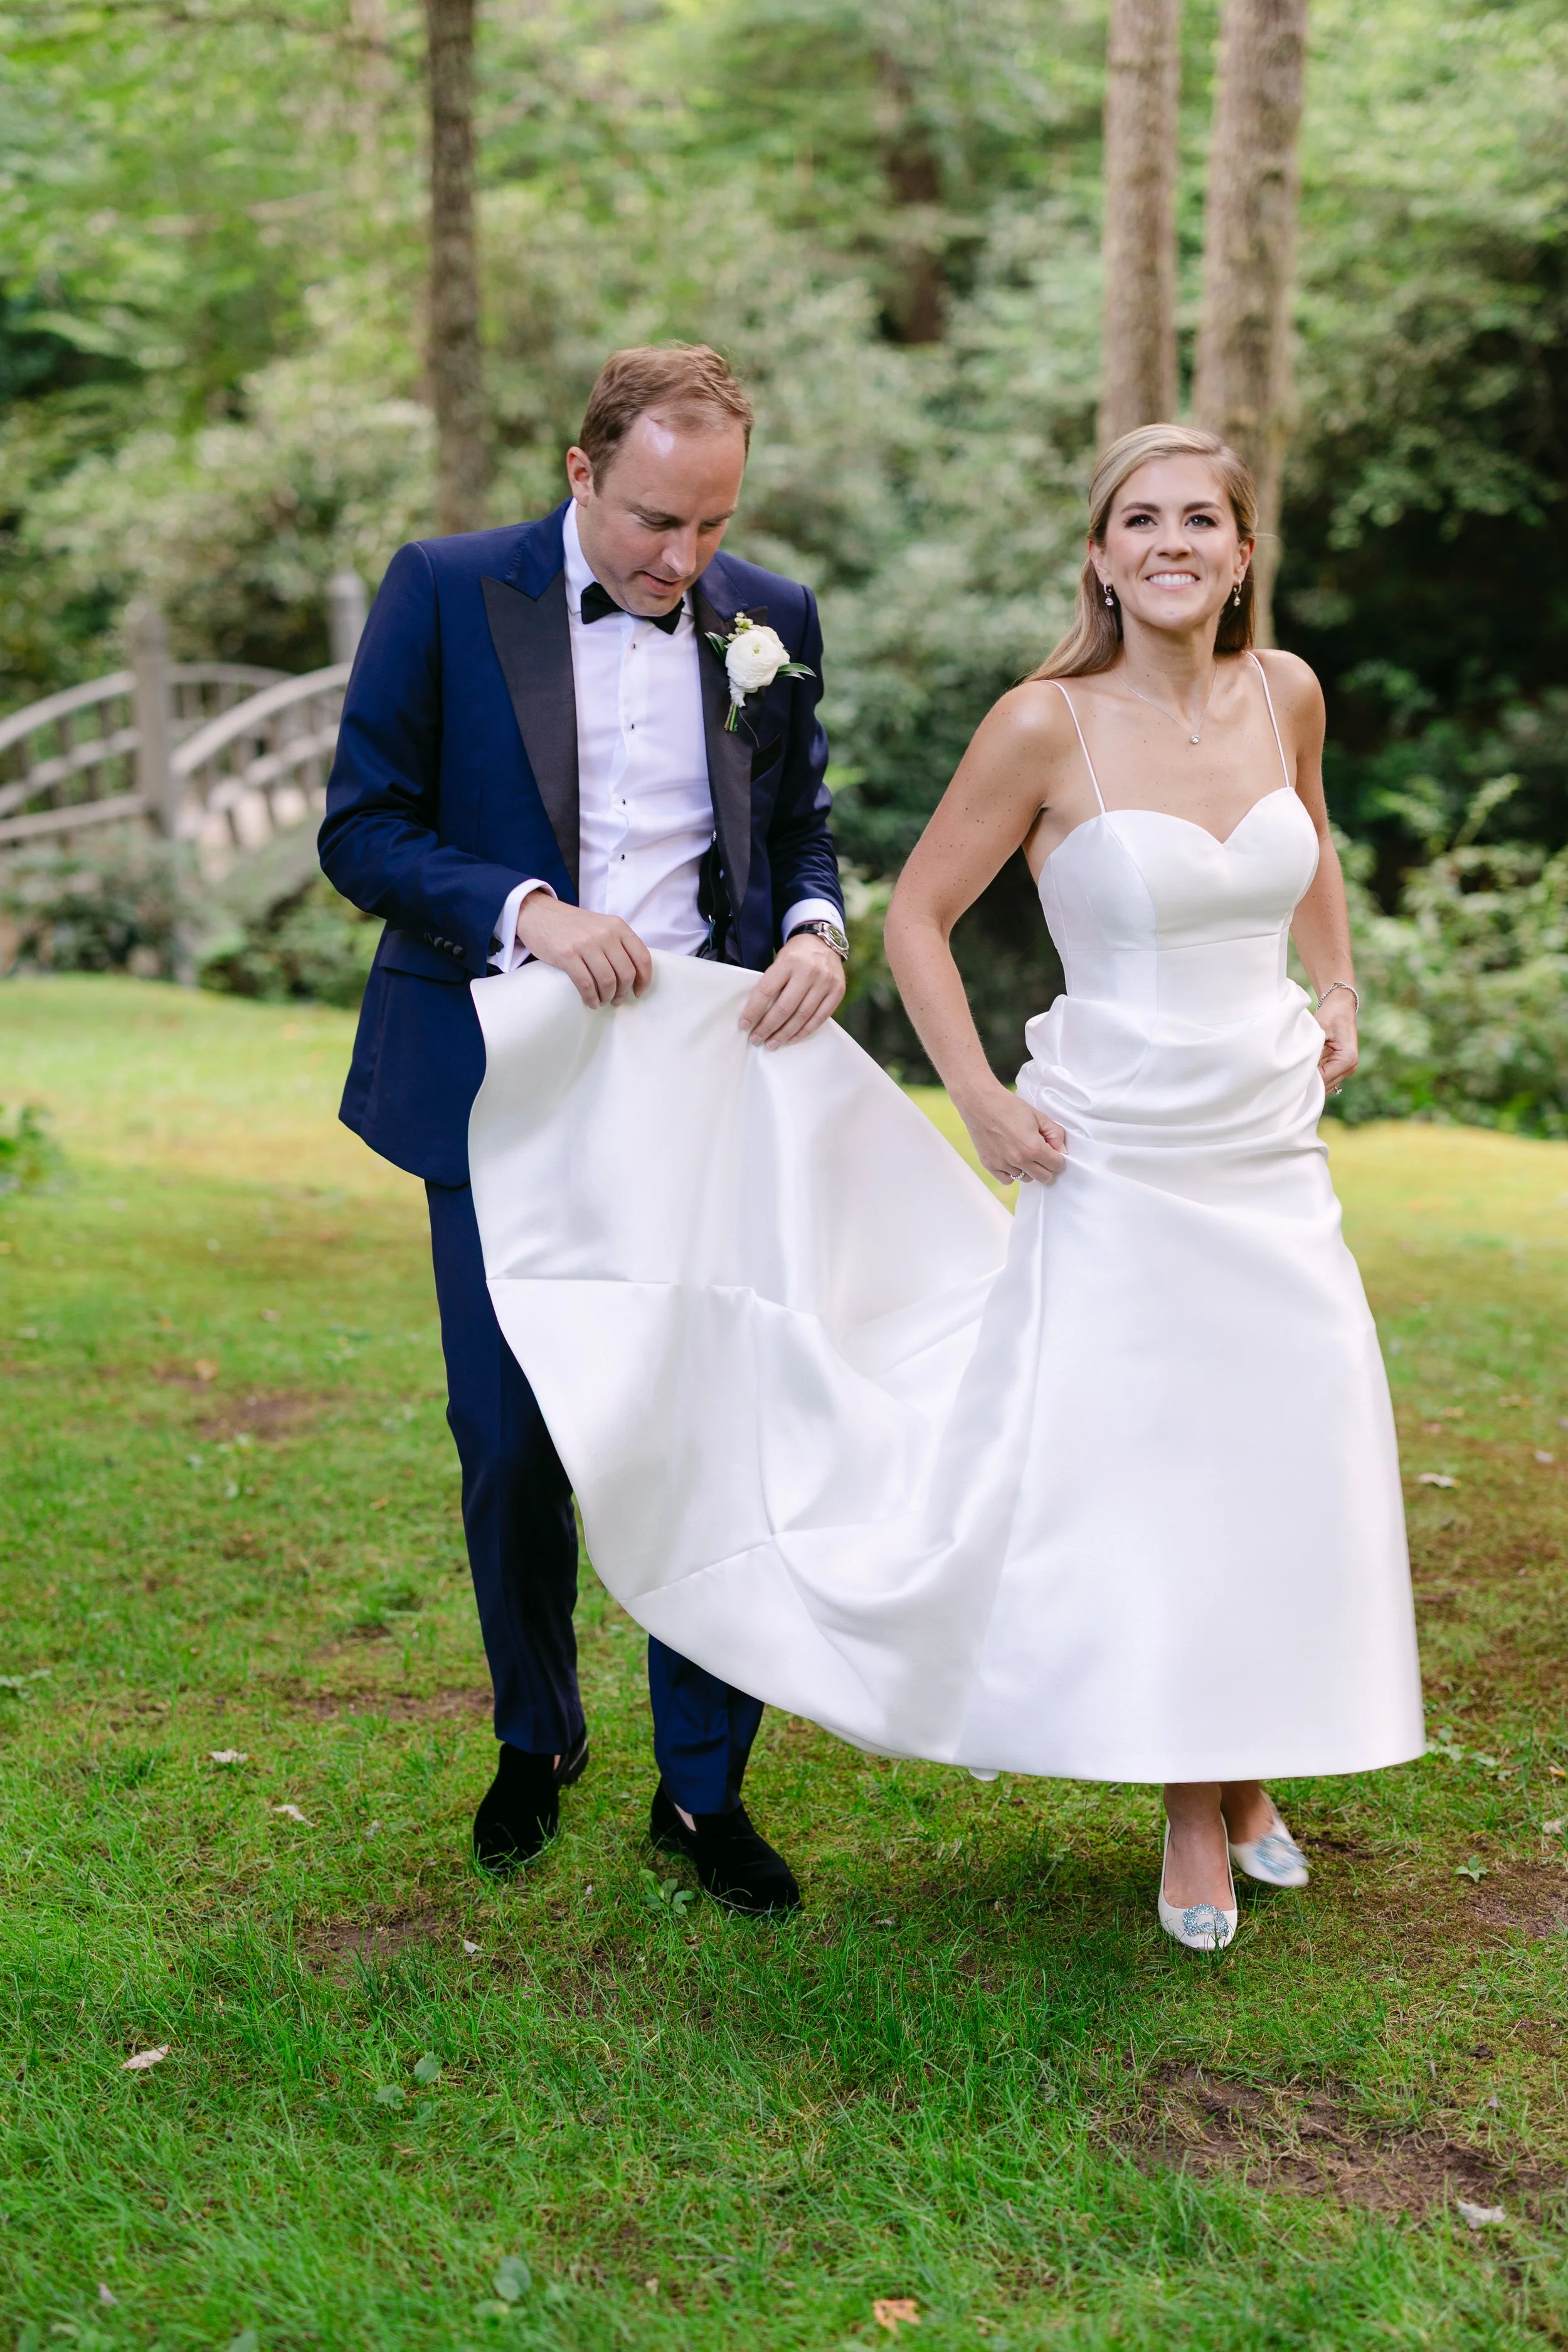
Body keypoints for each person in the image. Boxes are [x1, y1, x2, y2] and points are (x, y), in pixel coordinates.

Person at [460, 421, 1424, 1951]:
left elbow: (1304, 846)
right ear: (1099, 559)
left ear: (1241, 553)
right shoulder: (1046, 726)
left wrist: (1339, 984)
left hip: (1263, 1139)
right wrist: (977, 1097)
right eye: (1137, 521)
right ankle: (1188, 1802)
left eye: (1199, 521)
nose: (1169, 543)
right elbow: (914, 915)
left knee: (1277, 1447)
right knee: (1155, 1461)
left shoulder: (1285, 692)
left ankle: (1244, 1776)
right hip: (1116, 1148)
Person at [319, 344, 850, 1914]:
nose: (680, 561)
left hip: (703, 1085)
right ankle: (535, 1735)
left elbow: (804, 825)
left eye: (708, 525)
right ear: (579, 470)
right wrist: (526, 911)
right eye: (649, 522)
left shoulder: (774, 619)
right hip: (504, 1070)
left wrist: (817, 930)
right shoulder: (441, 590)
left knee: (707, 1426)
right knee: (508, 1439)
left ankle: (701, 1795)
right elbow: (362, 826)